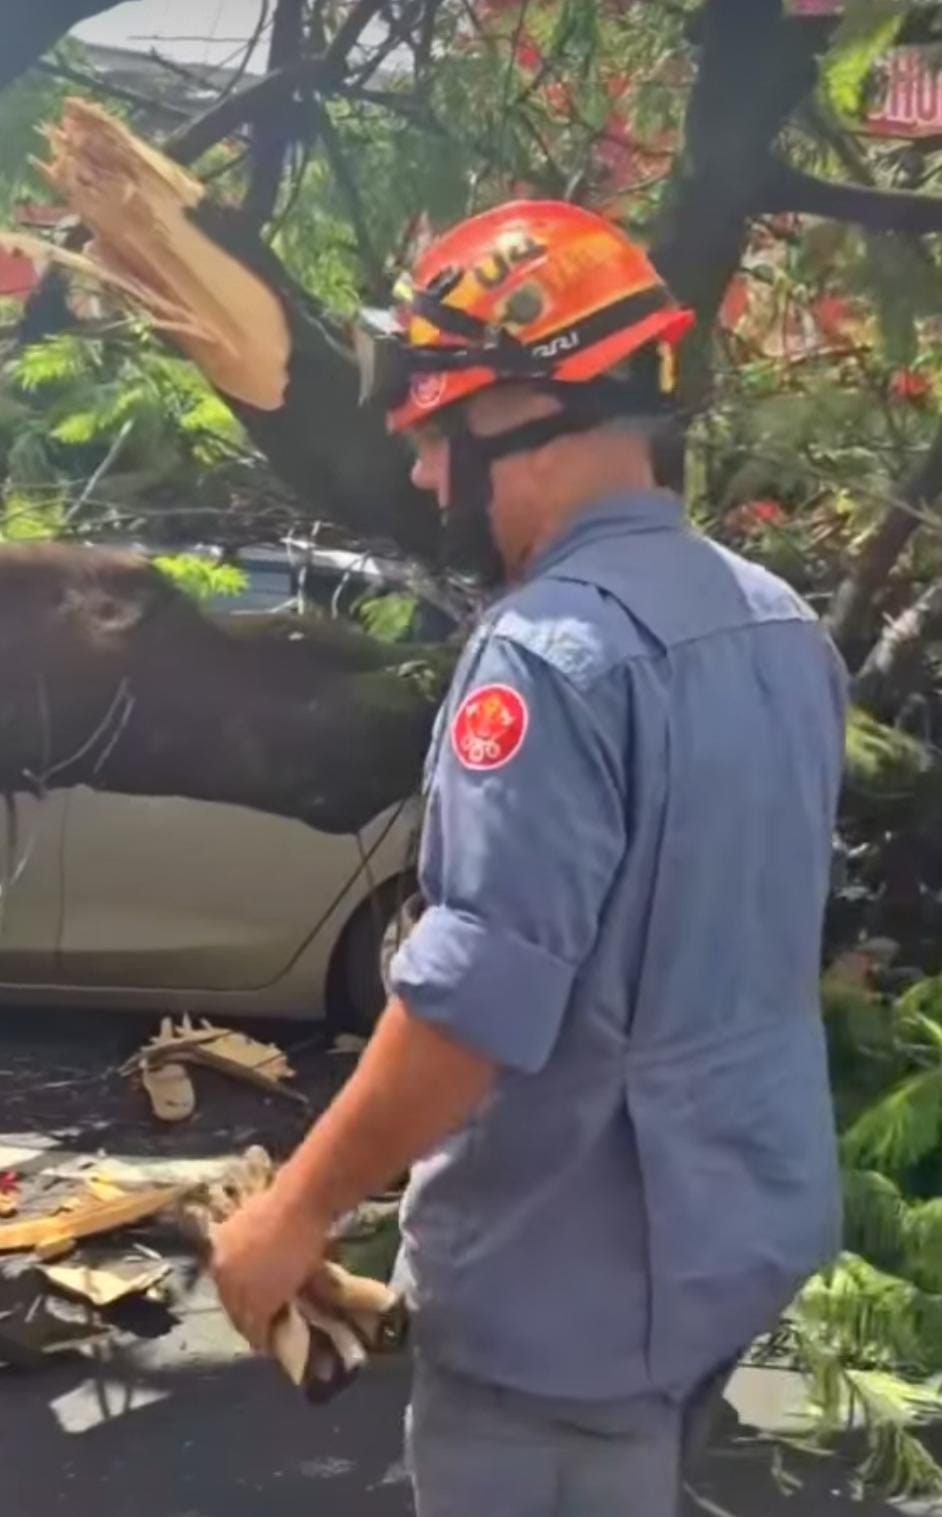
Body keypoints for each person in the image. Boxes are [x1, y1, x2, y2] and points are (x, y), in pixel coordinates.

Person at [211, 200, 847, 1516]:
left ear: (517, 413)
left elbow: (472, 1010)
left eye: (433, 433)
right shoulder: (781, 626)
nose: (426, 477)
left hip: (566, 1300)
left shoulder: (546, 657)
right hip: (732, 1244)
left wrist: (293, 1214)